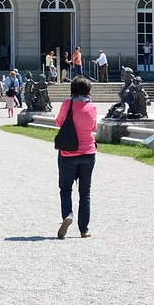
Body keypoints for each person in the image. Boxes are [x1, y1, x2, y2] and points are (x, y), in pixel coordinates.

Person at [55, 76, 98, 239]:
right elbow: (93, 127)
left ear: (72, 90)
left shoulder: (68, 104)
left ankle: (68, 214)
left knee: (65, 189)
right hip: (88, 153)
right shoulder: (92, 106)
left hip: (68, 153)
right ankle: (84, 229)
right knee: (85, 192)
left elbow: (59, 123)